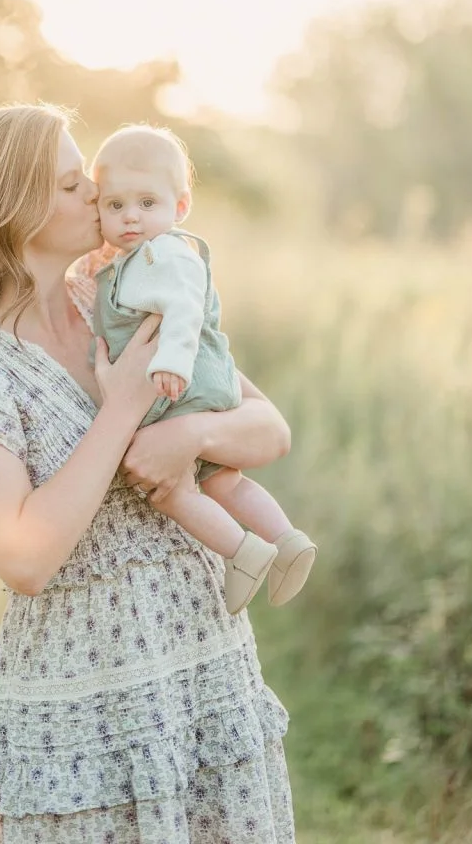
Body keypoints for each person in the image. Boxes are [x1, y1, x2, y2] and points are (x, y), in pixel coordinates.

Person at [0, 103, 296, 844]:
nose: (97, 200)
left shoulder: (119, 298)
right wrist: (123, 408)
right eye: (75, 185)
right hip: (89, 691)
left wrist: (189, 433)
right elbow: (25, 557)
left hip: (201, 654)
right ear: (11, 204)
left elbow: (267, 428)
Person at [90, 124, 317, 615]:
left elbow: (185, 309)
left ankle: (243, 553)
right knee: (222, 481)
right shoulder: (136, 258)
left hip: (179, 382)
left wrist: (171, 363)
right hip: (195, 383)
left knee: (171, 489)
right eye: (115, 205)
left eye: (147, 203)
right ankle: (286, 539)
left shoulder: (165, 253)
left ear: (180, 206)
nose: (130, 216)